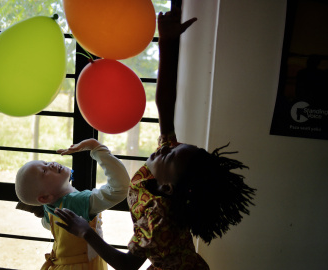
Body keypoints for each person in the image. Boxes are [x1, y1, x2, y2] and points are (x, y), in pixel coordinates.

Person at [53, 2, 256, 270]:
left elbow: (129, 265)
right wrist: (168, 43)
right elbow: (166, 105)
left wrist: (85, 232)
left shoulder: (160, 220)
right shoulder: (168, 177)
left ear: (168, 188)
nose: (166, 147)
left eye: (170, 154)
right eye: (173, 147)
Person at [15, 138, 130, 270]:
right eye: (44, 172)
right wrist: (97, 148)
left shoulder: (49, 209)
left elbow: (45, 223)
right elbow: (120, 188)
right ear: (45, 197)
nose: (51, 165)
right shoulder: (77, 203)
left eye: (45, 163)